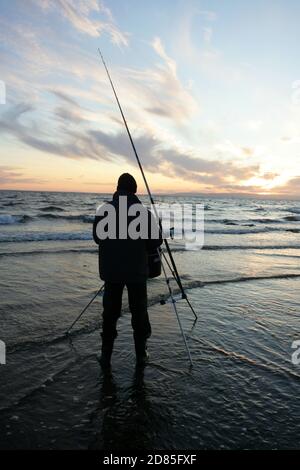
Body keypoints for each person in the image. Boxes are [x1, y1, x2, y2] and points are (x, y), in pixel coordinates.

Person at [93, 173, 162, 369]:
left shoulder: (104, 210)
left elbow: (97, 238)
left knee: (110, 314)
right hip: (137, 273)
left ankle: (106, 356)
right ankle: (141, 355)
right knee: (139, 313)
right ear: (134, 191)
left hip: (111, 273)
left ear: (117, 188)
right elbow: (155, 243)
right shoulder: (143, 213)